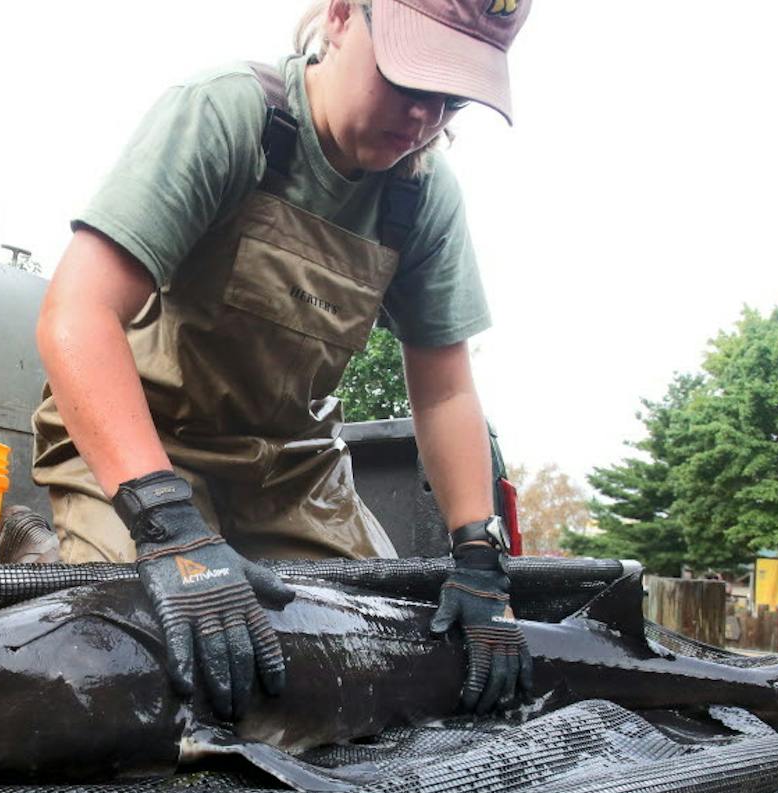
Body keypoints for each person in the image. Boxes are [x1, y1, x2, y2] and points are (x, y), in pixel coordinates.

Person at [33, 0, 535, 722]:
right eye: (410, 79)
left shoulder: (422, 193)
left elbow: (447, 390)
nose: (425, 117)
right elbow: (76, 315)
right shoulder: (228, 116)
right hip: (144, 452)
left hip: (297, 475)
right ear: (338, 16)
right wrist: (167, 524)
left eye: (450, 97)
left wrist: (480, 557)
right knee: (142, 661)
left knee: (379, 651)